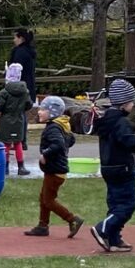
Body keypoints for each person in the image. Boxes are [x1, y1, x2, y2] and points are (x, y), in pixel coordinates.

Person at [90, 78, 135, 252]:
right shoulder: (121, 123)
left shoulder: (107, 120)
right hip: (122, 169)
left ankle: (114, 238)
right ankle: (103, 228)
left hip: (108, 168)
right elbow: (131, 143)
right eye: (131, 101)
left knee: (116, 204)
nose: (133, 105)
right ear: (124, 103)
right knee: (128, 203)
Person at [27, 95, 84, 237]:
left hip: (55, 170)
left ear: (52, 112)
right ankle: (42, 226)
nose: (39, 112)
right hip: (55, 169)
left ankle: (73, 219)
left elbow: (58, 145)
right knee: (44, 198)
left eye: (43, 109)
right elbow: (70, 140)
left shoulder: (53, 128)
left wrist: (45, 154)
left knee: (48, 200)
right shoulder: (60, 125)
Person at [0, 63, 32, 176]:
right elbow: (29, 105)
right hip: (19, 120)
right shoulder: (25, 91)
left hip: (6, 120)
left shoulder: (4, 92)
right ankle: (21, 167)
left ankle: (5, 168)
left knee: (6, 144)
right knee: (18, 143)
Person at [9, 27, 38, 99]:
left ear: (21, 38)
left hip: (19, 90)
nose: (14, 40)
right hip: (29, 87)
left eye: (15, 37)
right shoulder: (30, 51)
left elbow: (15, 72)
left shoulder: (19, 52)